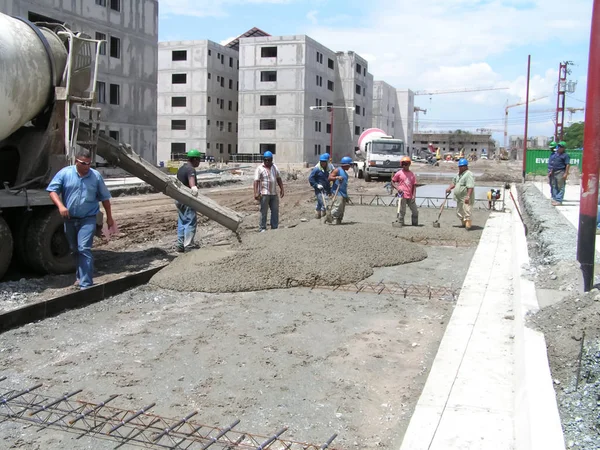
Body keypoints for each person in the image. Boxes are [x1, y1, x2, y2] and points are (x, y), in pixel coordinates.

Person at [46, 149, 114, 289]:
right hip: (70, 219)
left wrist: (109, 218)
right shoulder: (65, 173)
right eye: (84, 163)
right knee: (75, 249)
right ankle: (80, 277)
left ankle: (86, 284)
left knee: (84, 248)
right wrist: (60, 206)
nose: (87, 166)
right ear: (76, 161)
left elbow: (105, 199)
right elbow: (52, 191)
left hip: (88, 219)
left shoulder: (95, 177)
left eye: (89, 163)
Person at [175, 149, 201, 252]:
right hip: (187, 199)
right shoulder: (191, 169)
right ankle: (189, 245)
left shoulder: (181, 168)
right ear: (194, 159)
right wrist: (194, 188)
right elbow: (192, 182)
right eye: (198, 160)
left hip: (178, 198)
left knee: (182, 221)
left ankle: (180, 245)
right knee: (190, 221)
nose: (199, 162)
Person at [254, 151, 284, 232]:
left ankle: (274, 227)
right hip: (264, 194)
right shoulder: (260, 168)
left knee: (275, 211)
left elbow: (278, 178)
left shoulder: (275, 167)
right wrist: (256, 192)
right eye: (265, 160)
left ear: (271, 160)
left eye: (269, 160)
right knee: (263, 211)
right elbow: (256, 181)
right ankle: (262, 228)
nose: (267, 161)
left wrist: (282, 188)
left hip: (273, 193)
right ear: (263, 160)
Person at [445, 158, 475, 230]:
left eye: (461, 167)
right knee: (459, 211)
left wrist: (468, 196)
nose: (460, 168)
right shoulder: (458, 175)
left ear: (465, 167)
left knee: (467, 211)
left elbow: (470, 186)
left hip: (465, 197)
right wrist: (449, 188)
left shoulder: (468, 174)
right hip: (459, 198)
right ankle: (463, 223)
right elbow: (454, 183)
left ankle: (468, 225)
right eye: (459, 166)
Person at [391, 156, 418, 226]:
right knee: (402, 211)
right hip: (402, 195)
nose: (404, 166)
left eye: (406, 164)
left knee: (415, 211)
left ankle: (415, 224)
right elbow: (392, 182)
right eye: (403, 164)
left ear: (409, 164)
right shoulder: (399, 173)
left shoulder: (412, 174)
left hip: (410, 195)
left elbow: (414, 186)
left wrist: (414, 195)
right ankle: (400, 223)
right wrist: (397, 188)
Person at [328, 156, 353, 225]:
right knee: (338, 207)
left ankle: (338, 221)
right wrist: (337, 177)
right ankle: (329, 216)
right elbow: (329, 177)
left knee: (342, 209)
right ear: (345, 165)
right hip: (337, 192)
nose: (350, 167)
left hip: (343, 192)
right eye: (349, 165)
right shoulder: (337, 170)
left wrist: (346, 195)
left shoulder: (345, 173)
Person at [309, 153, 332, 219]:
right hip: (319, 189)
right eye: (322, 162)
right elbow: (311, 178)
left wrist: (329, 190)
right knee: (324, 201)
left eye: (324, 162)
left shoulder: (326, 170)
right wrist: (316, 185)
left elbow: (327, 180)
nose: (323, 163)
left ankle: (317, 213)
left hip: (325, 188)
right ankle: (325, 215)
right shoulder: (316, 169)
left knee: (320, 202)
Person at [549, 141, 570, 206]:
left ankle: (559, 200)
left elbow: (567, 165)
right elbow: (553, 164)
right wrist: (551, 171)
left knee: (560, 186)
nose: (559, 148)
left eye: (561, 147)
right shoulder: (556, 155)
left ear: (563, 148)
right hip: (554, 172)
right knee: (554, 186)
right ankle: (555, 199)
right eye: (559, 146)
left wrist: (566, 173)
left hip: (560, 172)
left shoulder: (565, 155)